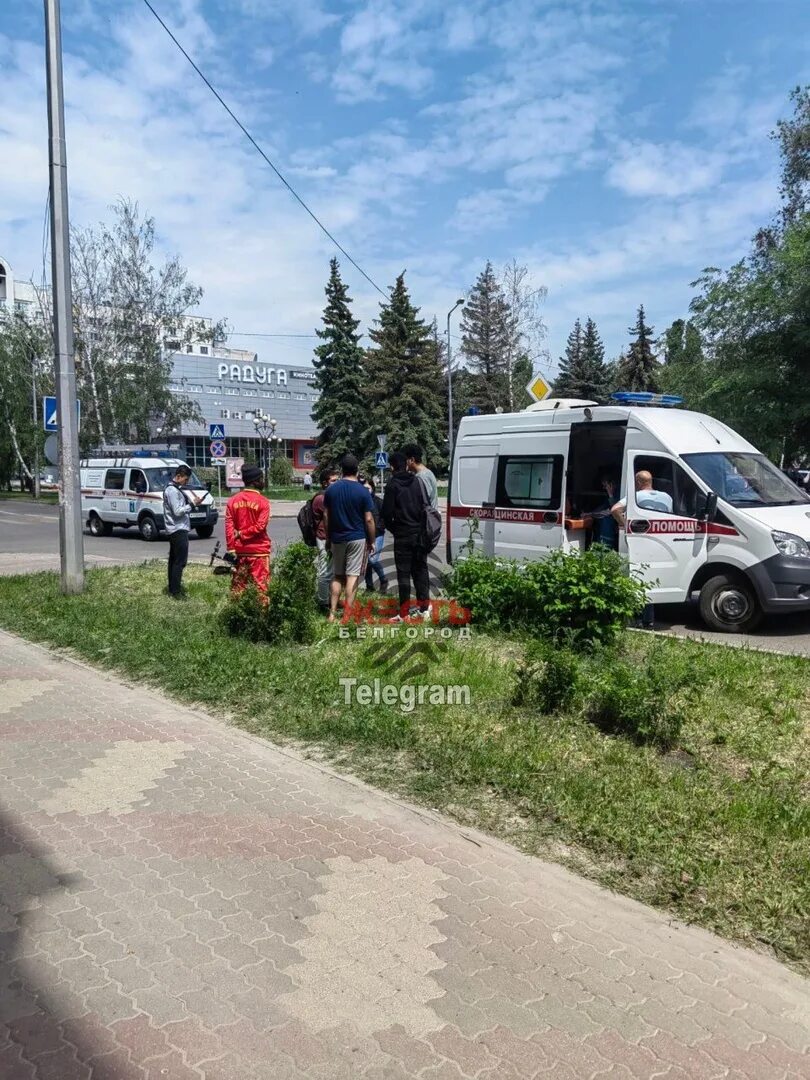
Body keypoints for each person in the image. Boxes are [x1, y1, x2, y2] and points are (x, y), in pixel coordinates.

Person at [612, 470, 674, 628]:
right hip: (661, 542)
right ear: (651, 481)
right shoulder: (667, 497)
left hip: (641, 541)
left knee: (636, 577)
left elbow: (615, 509)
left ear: (638, 483)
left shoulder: (636, 497)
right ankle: (649, 619)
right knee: (651, 580)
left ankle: (636, 618)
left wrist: (625, 525)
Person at [323, 454, 375, 622]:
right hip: (357, 537)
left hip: (337, 537)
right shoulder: (363, 491)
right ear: (357, 469)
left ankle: (331, 613)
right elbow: (368, 519)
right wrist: (372, 540)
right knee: (353, 575)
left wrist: (328, 537)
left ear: (342, 470)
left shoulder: (331, 489)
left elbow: (326, 516)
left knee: (337, 575)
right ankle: (347, 614)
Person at [382, 450, 431, 619]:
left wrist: (396, 529)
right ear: (406, 464)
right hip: (419, 533)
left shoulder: (392, 485)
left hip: (402, 534)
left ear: (392, 466)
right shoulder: (417, 482)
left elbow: (386, 515)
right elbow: (426, 505)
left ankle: (404, 613)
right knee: (420, 569)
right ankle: (424, 608)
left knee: (403, 573)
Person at [225, 464, 271, 598]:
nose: (263, 481)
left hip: (239, 551)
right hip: (259, 551)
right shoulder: (263, 502)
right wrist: (242, 533)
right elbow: (260, 527)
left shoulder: (233, 501)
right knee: (261, 585)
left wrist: (231, 547)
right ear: (256, 481)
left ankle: (237, 614)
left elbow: (228, 526)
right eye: (261, 478)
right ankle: (261, 616)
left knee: (239, 585)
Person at [162, 464, 203, 599]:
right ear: (178, 476)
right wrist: (191, 505)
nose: (186, 482)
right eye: (185, 480)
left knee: (174, 560)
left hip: (176, 528)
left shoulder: (174, 489)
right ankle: (176, 591)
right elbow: (177, 511)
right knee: (180, 561)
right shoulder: (172, 491)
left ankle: (173, 588)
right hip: (177, 529)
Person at [311, 468, 339, 608]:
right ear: (324, 483)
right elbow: (331, 516)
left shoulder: (328, 496)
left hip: (329, 537)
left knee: (331, 570)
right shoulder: (322, 498)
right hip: (324, 538)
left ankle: (328, 599)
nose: (337, 483)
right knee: (325, 571)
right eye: (333, 481)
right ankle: (323, 602)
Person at [361, 475, 389, 593]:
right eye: (363, 489)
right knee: (367, 562)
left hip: (377, 534)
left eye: (368, 488)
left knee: (372, 560)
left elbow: (385, 517)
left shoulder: (378, 502)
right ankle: (369, 586)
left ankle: (383, 579)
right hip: (364, 535)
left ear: (372, 488)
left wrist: (379, 527)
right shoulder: (360, 502)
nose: (366, 491)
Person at [585, 468, 620, 550]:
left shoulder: (618, 493)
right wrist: (589, 513)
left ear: (611, 484)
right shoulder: (609, 494)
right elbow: (603, 507)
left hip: (612, 524)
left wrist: (610, 494)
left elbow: (614, 509)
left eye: (605, 485)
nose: (604, 488)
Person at [402, 443, 438, 509]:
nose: (403, 463)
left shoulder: (423, 476)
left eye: (405, 460)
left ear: (412, 460)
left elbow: (423, 501)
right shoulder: (422, 474)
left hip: (425, 518)